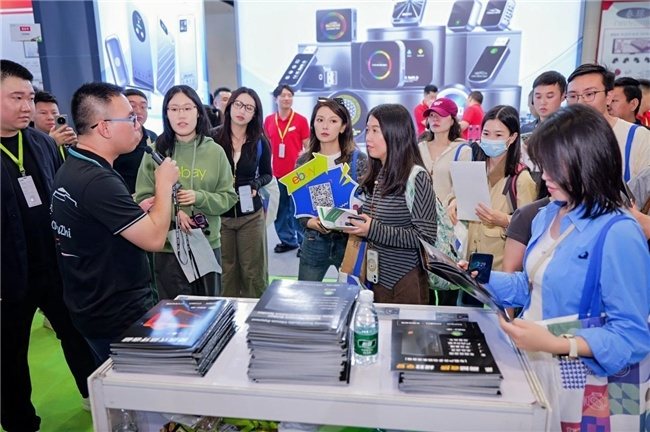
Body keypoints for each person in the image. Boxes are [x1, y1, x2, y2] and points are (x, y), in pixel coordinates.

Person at [480, 104, 650, 430]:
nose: (544, 176)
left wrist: (559, 343)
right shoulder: (548, 214)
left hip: (587, 385)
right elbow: (535, 285)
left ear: (587, 161)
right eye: (542, 165)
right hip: (538, 368)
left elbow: (632, 335)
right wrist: (483, 279)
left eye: (553, 166)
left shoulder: (618, 232)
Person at [50, 81, 180, 366]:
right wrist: (164, 184)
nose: (138, 124)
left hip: (90, 303)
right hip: (115, 312)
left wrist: (133, 212)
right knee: (138, 385)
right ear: (104, 128)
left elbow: (95, 224)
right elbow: (154, 239)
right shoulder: (98, 180)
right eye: (130, 118)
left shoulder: (74, 166)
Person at [1, 59, 96, 432]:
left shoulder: (40, 142)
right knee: (10, 355)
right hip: (8, 275)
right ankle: (20, 421)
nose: (27, 106)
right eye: (17, 97)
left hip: (54, 265)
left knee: (77, 334)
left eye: (29, 97)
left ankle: (94, 396)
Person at [136, 85, 237, 300]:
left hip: (205, 244)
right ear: (166, 114)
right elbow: (142, 198)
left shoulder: (215, 151)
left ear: (198, 112)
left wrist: (198, 197)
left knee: (209, 308)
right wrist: (174, 212)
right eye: (174, 109)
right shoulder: (155, 151)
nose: (181, 115)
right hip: (167, 247)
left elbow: (228, 197)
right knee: (173, 313)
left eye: (187, 108)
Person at [346, 104, 436, 305]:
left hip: (406, 280)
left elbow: (425, 238)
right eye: (367, 130)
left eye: (375, 130)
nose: (368, 137)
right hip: (377, 277)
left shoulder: (416, 177)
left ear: (396, 133)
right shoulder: (379, 173)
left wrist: (372, 229)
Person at [448, 105, 537, 271]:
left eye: (498, 135)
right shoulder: (473, 167)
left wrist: (504, 220)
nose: (490, 140)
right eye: (486, 133)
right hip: (469, 261)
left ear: (512, 137)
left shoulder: (521, 179)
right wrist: (454, 202)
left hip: (500, 267)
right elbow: (455, 195)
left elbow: (530, 226)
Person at [296, 97, 367, 282]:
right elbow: (298, 207)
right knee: (306, 295)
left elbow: (370, 202)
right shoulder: (304, 163)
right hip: (314, 241)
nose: (325, 126)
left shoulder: (358, 160)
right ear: (313, 124)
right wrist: (309, 222)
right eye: (320, 120)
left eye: (333, 121)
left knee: (354, 294)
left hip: (349, 241)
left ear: (343, 127)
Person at [210, 87, 272, 298]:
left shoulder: (260, 141)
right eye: (238, 104)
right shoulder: (213, 138)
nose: (242, 110)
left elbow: (267, 174)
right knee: (225, 273)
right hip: (219, 216)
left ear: (254, 114)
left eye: (248, 107)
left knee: (253, 273)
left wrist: (256, 184)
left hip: (250, 216)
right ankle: (227, 315)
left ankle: (254, 314)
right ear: (229, 106)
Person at [417, 97, 471, 305]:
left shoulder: (462, 150)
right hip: (421, 224)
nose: (435, 119)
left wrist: (454, 201)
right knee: (423, 287)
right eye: (431, 115)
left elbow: (464, 190)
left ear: (452, 119)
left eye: (441, 115)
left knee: (449, 285)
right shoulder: (419, 147)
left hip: (448, 227)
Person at [566, 63, 650, 182]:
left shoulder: (638, 136)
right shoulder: (562, 137)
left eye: (589, 94)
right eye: (572, 96)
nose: (580, 102)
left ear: (609, 97)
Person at [263, 84, 310, 254]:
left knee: (298, 210)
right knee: (280, 209)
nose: (287, 98)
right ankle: (288, 240)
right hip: (277, 174)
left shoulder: (301, 120)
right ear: (276, 99)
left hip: (297, 174)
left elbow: (308, 146)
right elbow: (265, 146)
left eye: (290, 95)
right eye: (283, 95)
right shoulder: (269, 121)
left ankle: (303, 243)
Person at [520, 70, 567, 185]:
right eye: (538, 96)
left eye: (550, 96)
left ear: (563, 96)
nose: (543, 102)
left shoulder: (569, 131)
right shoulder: (526, 130)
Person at [114, 88, 158, 194]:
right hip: (122, 196)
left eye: (143, 107)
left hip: (148, 197)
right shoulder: (115, 138)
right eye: (132, 106)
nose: (138, 111)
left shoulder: (152, 137)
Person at [32, 90, 77, 157]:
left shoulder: (65, 138)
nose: (50, 117)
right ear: (32, 116)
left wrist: (76, 147)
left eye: (54, 113)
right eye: (43, 113)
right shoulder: (29, 142)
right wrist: (51, 143)